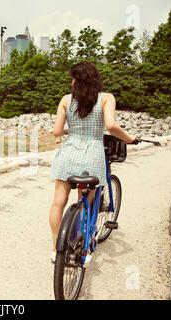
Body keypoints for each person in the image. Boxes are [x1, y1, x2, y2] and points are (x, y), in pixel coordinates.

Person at [49, 61, 137, 263]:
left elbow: (56, 132)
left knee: (58, 203)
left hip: (68, 154)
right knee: (86, 204)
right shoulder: (106, 98)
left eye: (72, 78)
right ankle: (82, 249)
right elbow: (111, 125)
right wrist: (129, 138)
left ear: (76, 80)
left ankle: (55, 249)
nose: (71, 82)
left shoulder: (65, 100)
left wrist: (71, 130)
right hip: (92, 155)